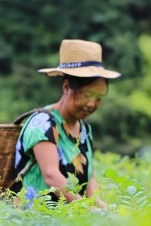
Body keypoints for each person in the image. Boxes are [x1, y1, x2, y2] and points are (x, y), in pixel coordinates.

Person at [11, 39, 120, 209]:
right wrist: (85, 208)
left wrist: (100, 206)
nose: (91, 104)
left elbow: (89, 177)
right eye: (86, 95)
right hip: (34, 222)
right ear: (66, 87)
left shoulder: (84, 130)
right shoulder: (43, 123)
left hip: (69, 224)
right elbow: (51, 175)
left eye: (98, 98)